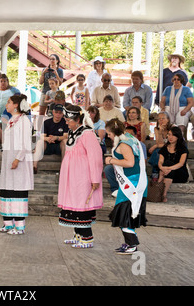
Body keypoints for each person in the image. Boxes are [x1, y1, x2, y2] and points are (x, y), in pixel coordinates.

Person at [57, 104, 103, 248]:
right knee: (74, 205)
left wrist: (95, 178)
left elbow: (95, 157)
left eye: (69, 120)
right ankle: (78, 236)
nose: (66, 122)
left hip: (83, 176)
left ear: (77, 120)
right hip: (72, 177)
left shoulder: (88, 133)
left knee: (82, 205)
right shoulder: (73, 132)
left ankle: (87, 238)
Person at [105, 118, 148, 255]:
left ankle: (132, 244)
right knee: (127, 213)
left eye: (109, 133)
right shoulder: (129, 138)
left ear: (115, 132)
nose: (108, 135)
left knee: (124, 213)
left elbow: (129, 163)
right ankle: (130, 243)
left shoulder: (124, 144)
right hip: (133, 180)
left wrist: (111, 160)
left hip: (132, 183)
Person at [0, 94, 34, 235]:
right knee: (7, 190)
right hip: (8, 160)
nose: (6, 104)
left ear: (16, 105)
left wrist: (18, 158)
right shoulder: (12, 120)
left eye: (9, 102)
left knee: (18, 191)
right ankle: (8, 223)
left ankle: (19, 226)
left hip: (19, 161)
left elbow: (26, 142)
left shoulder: (24, 120)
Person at [33, 104, 69, 174]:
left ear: (63, 114)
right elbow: (42, 136)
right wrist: (48, 139)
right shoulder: (47, 122)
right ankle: (34, 166)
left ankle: (63, 167)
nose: (58, 114)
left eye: (60, 113)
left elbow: (65, 136)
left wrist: (56, 138)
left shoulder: (65, 123)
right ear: (53, 112)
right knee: (40, 142)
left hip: (59, 146)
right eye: (56, 112)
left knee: (65, 141)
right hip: (48, 145)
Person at [158, 127, 190, 202]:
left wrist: (168, 168)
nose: (170, 137)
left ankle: (162, 193)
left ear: (178, 136)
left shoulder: (183, 149)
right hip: (166, 173)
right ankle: (162, 194)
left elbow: (181, 164)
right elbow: (160, 162)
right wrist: (162, 168)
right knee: (166, 164)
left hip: (180, 174)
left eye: (173, 135)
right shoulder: (164, 148)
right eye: (169, 135)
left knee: (168, 163)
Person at [160, 73, 194, 138]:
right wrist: (163, 108)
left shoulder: (186, 89)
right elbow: (162, 102)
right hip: (169, 107)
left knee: (181, 117)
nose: (176, 81)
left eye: (178, 79)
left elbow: (191, 102)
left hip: (183, 108)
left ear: (181, 80)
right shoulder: (168, 89)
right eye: (174, 79)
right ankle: (166, 137)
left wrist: (185, 110)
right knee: (164, 116)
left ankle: (179, 137)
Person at [148, 111, 174, 177]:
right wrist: (160, 132)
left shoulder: (173, 128)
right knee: (159, 151)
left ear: (168, 119)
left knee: (158, 151)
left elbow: (171, 143)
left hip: (174, 147)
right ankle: (156, 171)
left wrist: (155, 146)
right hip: (164, 148)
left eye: (163, 118)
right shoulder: (156, 129)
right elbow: (159, 143)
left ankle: (155, 172)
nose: (161, 120)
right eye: (159, 119)